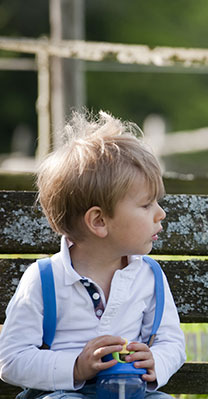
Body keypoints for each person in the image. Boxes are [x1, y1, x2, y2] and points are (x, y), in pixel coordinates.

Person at [0, 111, 186, 399]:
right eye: (147, 205)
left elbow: (170, 341)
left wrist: (154, 362)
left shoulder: (148, 275)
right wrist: (76, 367)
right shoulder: (45, 279)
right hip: (64, 392)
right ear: (99, 221)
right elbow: (11, 360)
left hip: (132, 391)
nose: (160, 214)